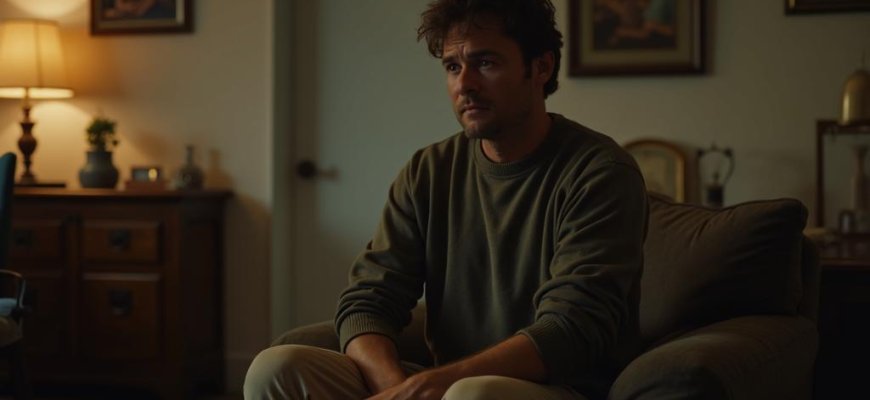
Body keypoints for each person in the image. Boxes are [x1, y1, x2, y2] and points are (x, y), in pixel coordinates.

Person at [244, 0, 647, 399]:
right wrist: (398, 390)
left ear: (541, 67)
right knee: (276, 368)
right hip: (441, 388)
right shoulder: (428, 169)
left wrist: (434, 386)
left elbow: (571, 329)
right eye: (453, 66)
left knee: (473, 394)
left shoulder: (600, 171)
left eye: (485, 63)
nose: (464, 84)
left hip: (557, 387)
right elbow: (368, 301)